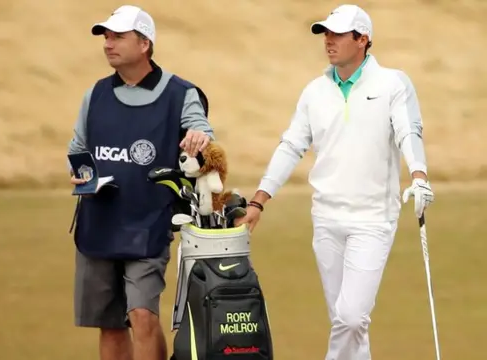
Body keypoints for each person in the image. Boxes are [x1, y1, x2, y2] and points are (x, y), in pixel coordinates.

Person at [235, 4, 435, 360]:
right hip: (326, 218)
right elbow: (291, 145)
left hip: (372, 219)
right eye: (326, 33)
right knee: (347, 323)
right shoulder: (314, 91)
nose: (329, 40)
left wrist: (418, 174)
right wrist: (258, 200)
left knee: (351, 316)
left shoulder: (392, 83)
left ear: (363, 39)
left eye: (338, 34)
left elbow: (409, 130)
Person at [66, 5, 214, 360]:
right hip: (99, 224)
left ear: (145, 43)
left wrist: (198, 136)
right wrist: (84, 176)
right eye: (105, 36)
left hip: (148, 224)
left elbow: (203, 133)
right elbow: (78, 150)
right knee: (111, 323)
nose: (107, 44)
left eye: (118, 36)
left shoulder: (180, 93)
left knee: (142, 315)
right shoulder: (96, 95)